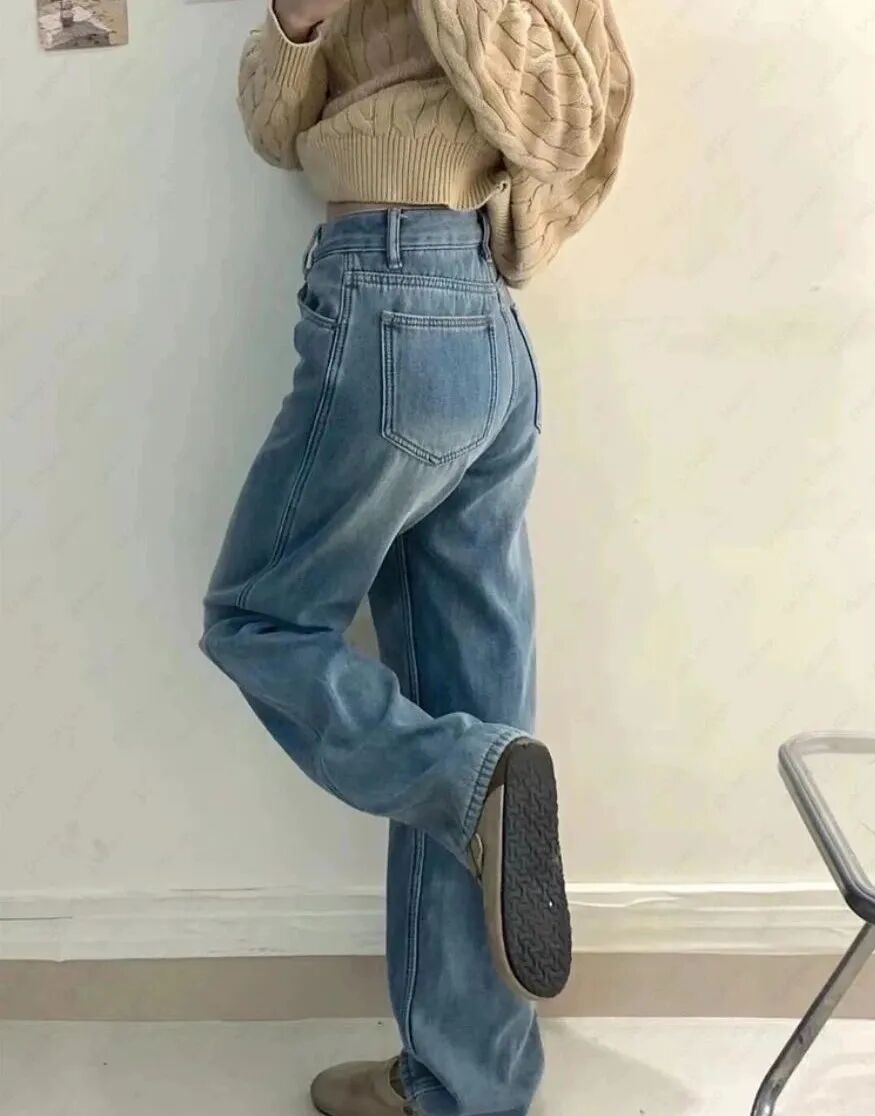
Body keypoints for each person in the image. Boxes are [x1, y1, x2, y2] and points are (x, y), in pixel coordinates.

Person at [199, 0, 634, 1112]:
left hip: (401, 293)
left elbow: (566, 112)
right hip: (462, 323)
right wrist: (296, 24)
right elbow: (271, 130)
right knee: (469, 697)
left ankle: (467, 778)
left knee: (259, 620)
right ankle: (466, 1087)